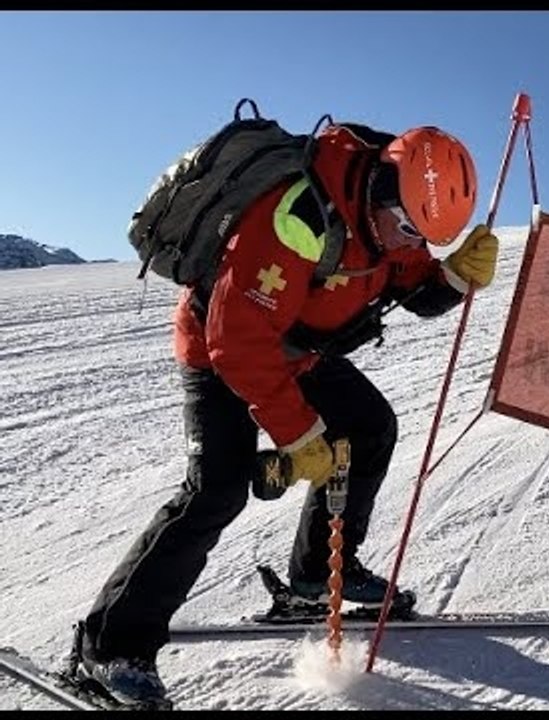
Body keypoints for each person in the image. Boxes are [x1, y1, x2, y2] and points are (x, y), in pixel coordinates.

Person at [76, 120, 499, 706]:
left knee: (369, 426)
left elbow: (407, 277)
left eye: (422, 235)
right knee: (217, 489)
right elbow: (237, 341)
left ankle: (318, 576)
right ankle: (109, 648)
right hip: (222, 349)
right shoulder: (296, 218)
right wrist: (299, 434)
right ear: (382, 187)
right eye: (407, 227)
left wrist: (451, 277)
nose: (410, 242)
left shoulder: (394, 220)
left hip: (297, 351)